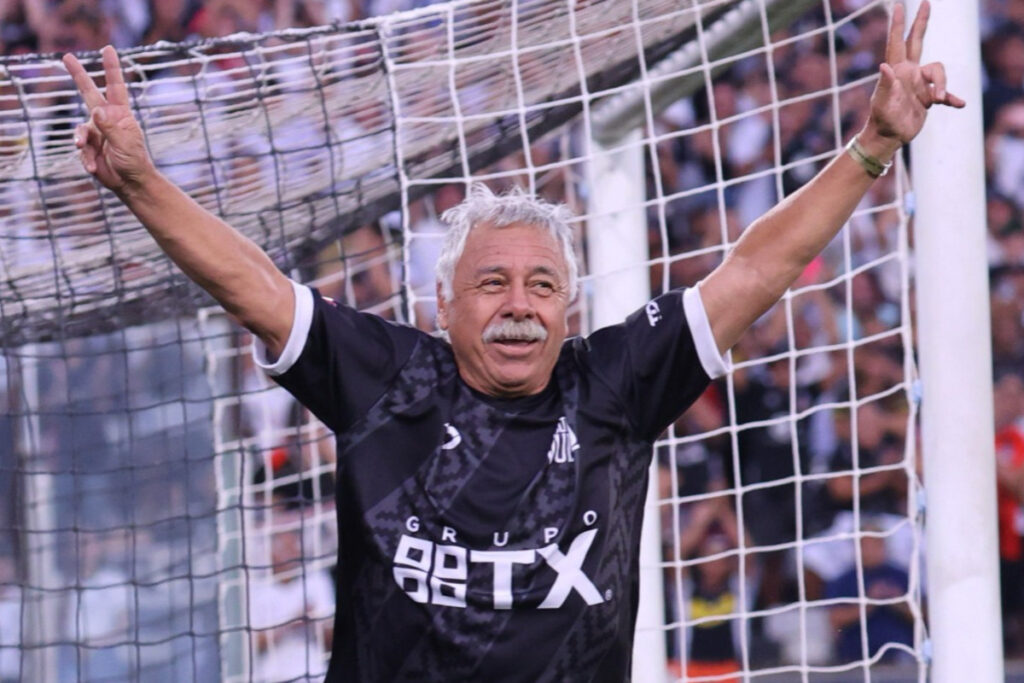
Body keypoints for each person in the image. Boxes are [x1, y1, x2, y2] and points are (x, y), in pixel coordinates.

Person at [61, 2, 962, 679]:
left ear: (570, 308)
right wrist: (140, 181)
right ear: (443, 302)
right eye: (493, 283)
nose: (519, 305)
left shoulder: (613, 380)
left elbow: (756, 270)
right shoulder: (386, 377)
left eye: (542, 285)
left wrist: (870, 147)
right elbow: (250, 284)